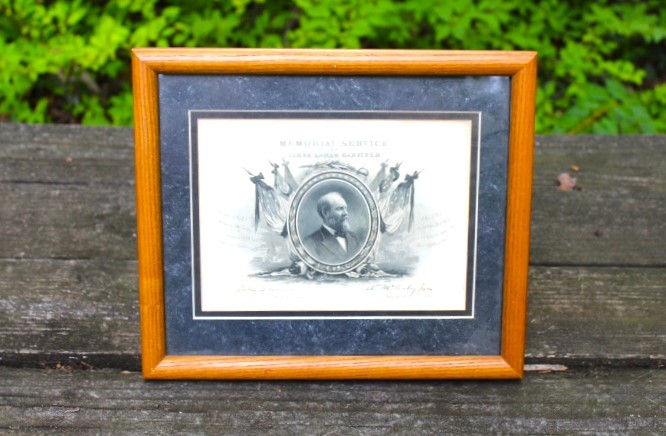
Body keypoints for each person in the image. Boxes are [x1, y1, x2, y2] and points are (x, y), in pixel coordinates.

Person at [303, 192, 360, 264]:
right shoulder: (310, 242)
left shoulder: (353, 237)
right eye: (340, 209)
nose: (346, 213)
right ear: (325, 213)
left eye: (345, 208)